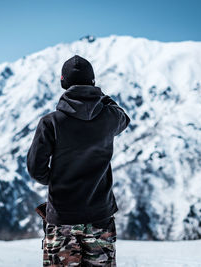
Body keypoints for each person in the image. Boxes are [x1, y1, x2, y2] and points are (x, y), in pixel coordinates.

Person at [27, 55, 130, 266]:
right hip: (100, 216)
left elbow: (35, 169)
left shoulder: (51, 122)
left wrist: (57, 179)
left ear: (63, 83)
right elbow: (124, 117)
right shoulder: (109, 117)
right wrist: (100, 96)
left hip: (62, 216)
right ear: (93, 82)